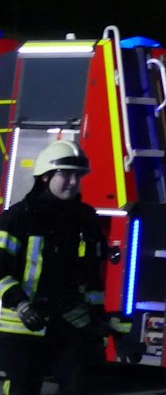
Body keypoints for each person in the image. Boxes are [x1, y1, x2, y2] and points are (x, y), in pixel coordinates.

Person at [0, 139, 111, 394]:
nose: (73, 182)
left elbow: (92, 275)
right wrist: (21, 304)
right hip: (23, 325)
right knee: (22, 388)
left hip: (69, 321)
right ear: (45, 176)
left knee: (78, 385)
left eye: (78, 176)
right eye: (66, 175)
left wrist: (97, 318)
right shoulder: (19, 217)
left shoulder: (85, 218)